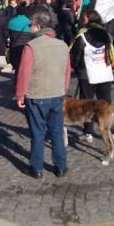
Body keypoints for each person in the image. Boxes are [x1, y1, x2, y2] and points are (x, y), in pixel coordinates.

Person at [16, 10, 71, 179]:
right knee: (56, 132)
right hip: (57, 94)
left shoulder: (31, 46)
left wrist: (20, 95)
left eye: (31, 25)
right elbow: (67, 71)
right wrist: (64, 89)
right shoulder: (62, 45)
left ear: (38, 26)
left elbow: (24, 73)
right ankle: (60, 166)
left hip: (37, 95)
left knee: (38, 133)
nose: (30, 28)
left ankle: (37, 168)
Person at [69, 10, 114, 142]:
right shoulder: (106, 34)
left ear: (88, 20)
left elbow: (75, 57)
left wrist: (74, 67)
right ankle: (108, 128)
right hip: (105, 72)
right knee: (106, 102)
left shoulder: (81, 36)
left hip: (87, 74)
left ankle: (88, 132)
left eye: (83, 19)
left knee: (87, 104)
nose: (82, 21)